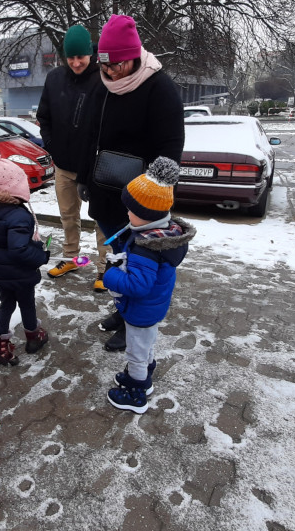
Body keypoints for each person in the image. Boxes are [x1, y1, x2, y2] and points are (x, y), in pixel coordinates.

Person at [79, 13, 185, 352]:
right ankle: (122, 309)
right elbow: (89, 135)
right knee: (117, 254)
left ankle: (133, 320)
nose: (110, 72)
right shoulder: (102, 86)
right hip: (105, 188)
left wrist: (153, 197)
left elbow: (170, 149)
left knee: (138, 260)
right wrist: (83, 176)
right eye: (105, 66)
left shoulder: (159, 88)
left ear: (134, 55)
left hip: (140, 198)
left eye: (117, 65)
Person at [102, 157, 195, 414]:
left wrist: (110, 275)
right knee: (146, 345)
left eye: (131, 210)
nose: (127, 214)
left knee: (136, 351)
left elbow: (138, 285)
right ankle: (143, 374)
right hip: (152, 308)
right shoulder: (161, 236)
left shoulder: (147, 248)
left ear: (146, 214)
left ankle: (136, 391)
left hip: (141, 309)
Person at [36, 24, 108, 290]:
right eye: (71, 57)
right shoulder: (55, 78)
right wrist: (52, 145)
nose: (76, 62)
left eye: (81, 56)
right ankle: (72, 258)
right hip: (64, 166)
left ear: (90, 53)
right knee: (68, 216)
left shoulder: (103, 78)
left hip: (96, 167)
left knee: (102, 219)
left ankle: (104, 268)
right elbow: (43, 117)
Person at [0, 150, 52, 365]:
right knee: (26, 303)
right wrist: (41, 256)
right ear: (14, 186)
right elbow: (19, 250)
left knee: (6, 303)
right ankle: (33, 337)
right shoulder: (17, 215)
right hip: (18, 272)